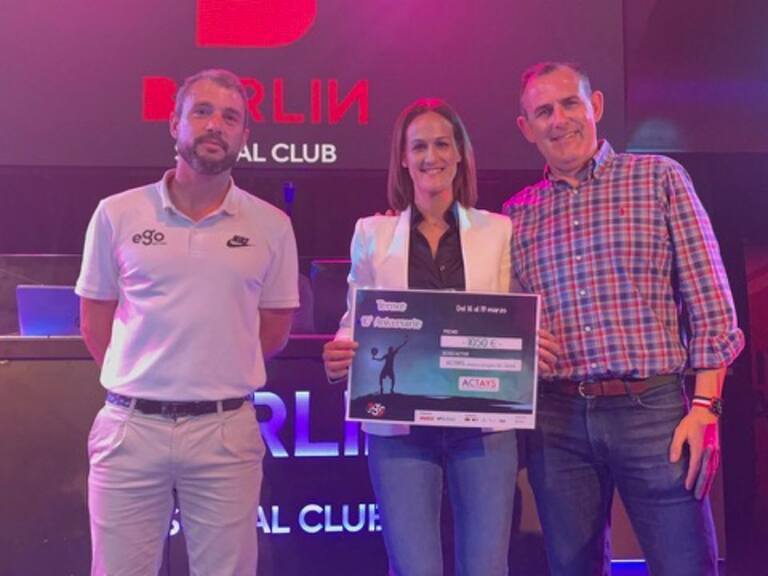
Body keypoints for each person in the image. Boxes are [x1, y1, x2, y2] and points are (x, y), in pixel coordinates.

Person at [504, 61, 745, 576]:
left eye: (570, 103)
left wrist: (706, 408)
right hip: (557, 419)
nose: (558, 120)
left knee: (685, 567)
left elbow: (711, 300)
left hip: (653, 411)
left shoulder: (658, 177)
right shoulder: (516, 214)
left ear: (595, 106)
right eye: (543, 112)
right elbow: (506, 325)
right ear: (526, 127)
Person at [76, 69, 299, 576]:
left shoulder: (272, 226)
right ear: (174, 123)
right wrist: (147, 381)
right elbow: (94, 321)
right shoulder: (116, 213)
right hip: (131, 430)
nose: (215, 125)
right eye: (202, 112)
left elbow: (273, 329)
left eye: (230, 117)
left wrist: (213, 372)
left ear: (245, 136)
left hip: (225, 432)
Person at [323, 98, 558, 576]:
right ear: (403, 158)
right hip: (400, 432)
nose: (431, 156)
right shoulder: (371, 232)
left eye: (442, 144)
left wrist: (531, 343)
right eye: (419, 146)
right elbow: (356, 318)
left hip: (484, 426)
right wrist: (340, 352)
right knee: (413, 568)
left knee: (487, 568)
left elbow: (512, 314)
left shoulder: (498, 230)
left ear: (459, 154)